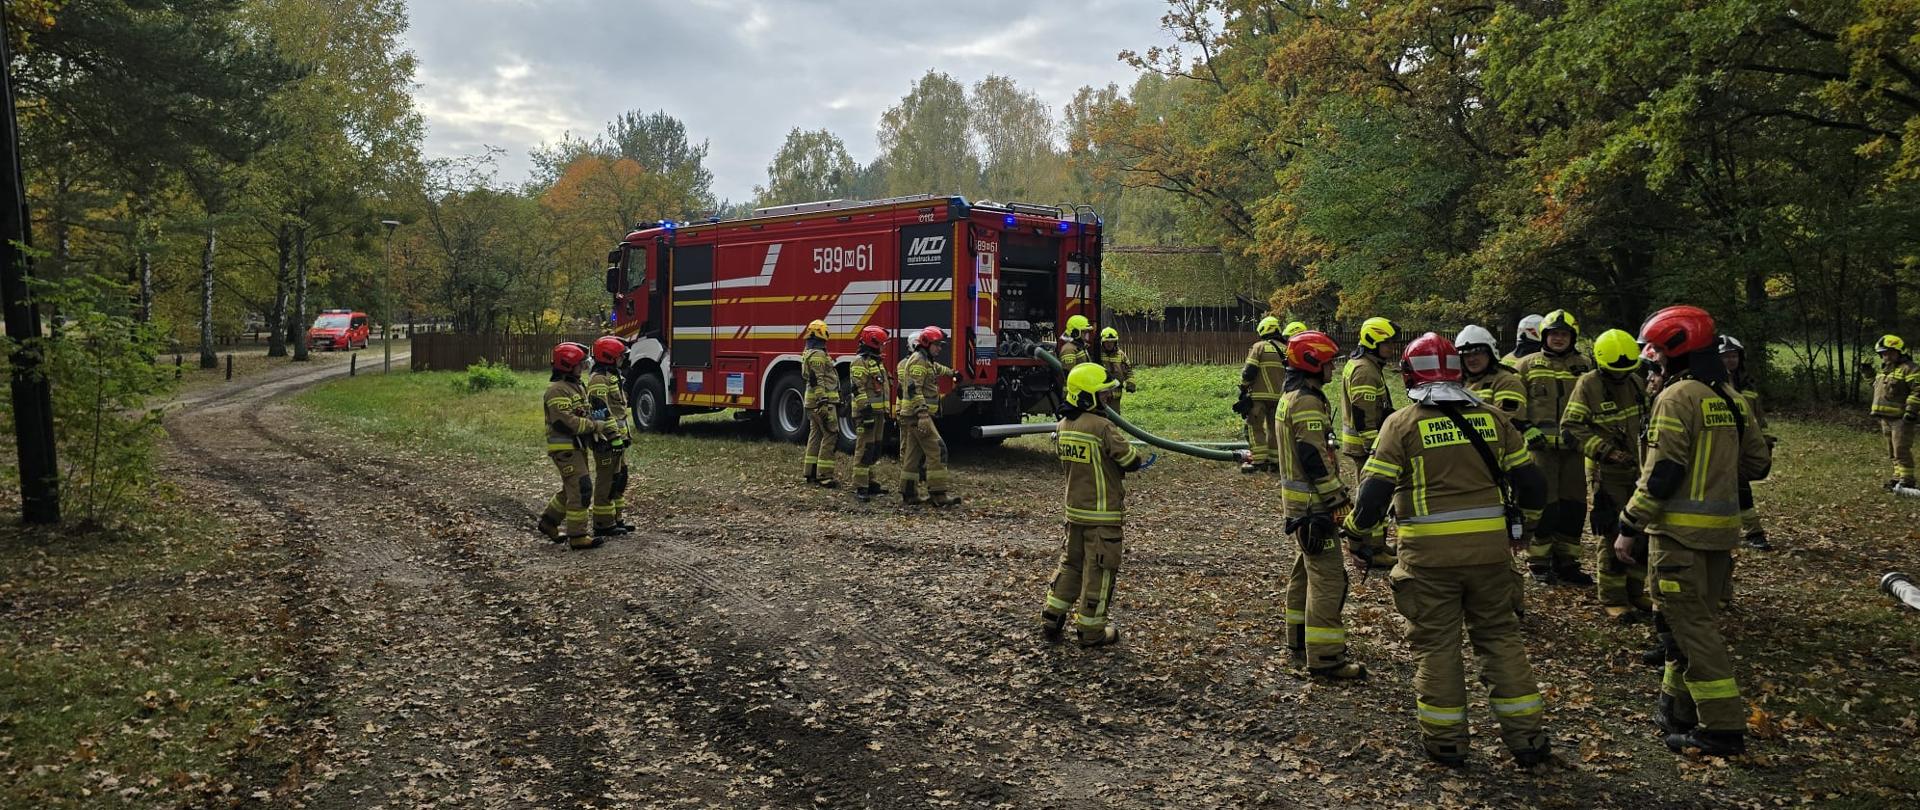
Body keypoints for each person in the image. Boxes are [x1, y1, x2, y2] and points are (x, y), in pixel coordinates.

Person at [1343, 332, 1551, 767]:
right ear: (1458, 373)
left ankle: (1447, 744)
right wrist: (1524, 528)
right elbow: (1532, 484)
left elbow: (1374, 493)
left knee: (1437, 647)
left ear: (1409, 377)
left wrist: (1355, 532)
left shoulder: (1401, 424)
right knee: (1500, 640)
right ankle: (1529, 741)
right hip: (1493, 557)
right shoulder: (1495, 419)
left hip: (1429, 562)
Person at [1615, 305, 1770, 757]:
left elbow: (1662, 472)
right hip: (1721, 537)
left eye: (1657, 356)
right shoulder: (1731, 398)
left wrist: (1629, 524)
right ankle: (1676, 708)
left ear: (1675, 354)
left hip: (1678, 538)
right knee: (1680, 626)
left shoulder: (1677, 398)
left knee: (1693, 632)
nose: (1653, 365)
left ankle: (1722, 728)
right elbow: (1758, 465)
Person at [1040, 363, 1154, 647]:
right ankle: (1091, 631)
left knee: (1071, 564)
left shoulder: (1063, 425)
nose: (1106, 399)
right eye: (1101, 394)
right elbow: (1129, 459)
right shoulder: (1102, 427)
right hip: (1102, 515)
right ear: (1085, 396)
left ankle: (1052, 615)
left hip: (1075, 512)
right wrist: (1136, 456)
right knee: (1100, 571)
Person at [1279, 330, 1366, 679]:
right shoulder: (1307, 402)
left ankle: (1298, 640)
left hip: (1301, 508)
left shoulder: (1294, 396)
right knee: (1330, 580)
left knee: (1305, 574)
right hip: (1315, 508)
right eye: (1328, 362)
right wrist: (1337, 500)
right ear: (1313, 363)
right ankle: (1326, 657)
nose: (1332, 368)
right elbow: (1313, 455)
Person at [1563, 329, 1650, 620]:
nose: (1620, 376)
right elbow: (1571, 427)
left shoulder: (1636, 382)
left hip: (1638, 469)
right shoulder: (1588, 384)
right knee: (1613, 531)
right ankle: (1613, 597)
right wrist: (1606, 451)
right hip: (1606, 472)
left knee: (1641, 531)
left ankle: (1635, 591)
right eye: (1615, 371)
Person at [1515, 310, 1594, 586]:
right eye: (1553, 334)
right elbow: (1512, 403)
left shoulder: (1586, 366)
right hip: (1540, 450)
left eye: (1564, 334)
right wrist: (1525, 427)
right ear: (1544, 336)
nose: (1558, 339)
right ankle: (1538, 561)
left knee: (1573, 507)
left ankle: (1567, 562)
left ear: (1572, 337)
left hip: (1574, 450)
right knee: (1544, 506)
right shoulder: (1525, 365)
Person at [537, 342, 608, 551]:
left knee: (572, 488)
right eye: (579, 364)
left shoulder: (576, 386)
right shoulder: (557, 390)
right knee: (582, 487)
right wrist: (595, 426)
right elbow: (565, 422)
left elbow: (581, 413)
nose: (583, 368)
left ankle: (549, 522)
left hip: (577, 447)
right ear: (567, 365)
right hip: (565, 449)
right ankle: (577, 535)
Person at [897, 326, 961, 507]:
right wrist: (923, 414)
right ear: (926, 343)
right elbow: (913, 388)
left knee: (912, 455)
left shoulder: (926, 360)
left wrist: (952, 373)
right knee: (937, 449)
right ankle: (938, 494)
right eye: (937, 345)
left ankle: (909, 493)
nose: (940, 348)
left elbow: (938, 369)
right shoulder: (918, 361)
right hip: (918, 416)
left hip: (913, 415)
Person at [1720, 336, 1774, 549]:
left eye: (1733, 356)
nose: (1730, 360)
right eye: (1725, 356)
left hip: (1746, 444)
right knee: (1739, 487)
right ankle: (1754, 533)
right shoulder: (1713, 383)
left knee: (1736, 486)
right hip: (1723, 443)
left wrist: (1765, 440)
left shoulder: (1747, 381)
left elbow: (1758, 415)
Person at [1338, 317, 1403, 475]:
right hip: (1364, 445)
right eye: (1387, 343)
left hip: (1361, 443)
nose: (1392, 348)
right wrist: (1373, 447)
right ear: (1372, 341)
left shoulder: (1364, 363)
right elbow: (1363, 413)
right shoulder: (1364, 371)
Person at [586, 336, 635, 537]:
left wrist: (623, 437)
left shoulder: (612, 376)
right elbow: (600, 411)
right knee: (607, 479)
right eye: (620, 356)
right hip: (606, 441)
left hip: (618, 440)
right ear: (610, 357)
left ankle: (616, 518)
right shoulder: (599, 379)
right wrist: (614, 436)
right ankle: (602, 522)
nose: (623, 360)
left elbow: (619, 410)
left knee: (620, 478)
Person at [1867, 334, 1920, 490]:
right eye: (1883, 353)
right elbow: (1877, 387)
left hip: (1901, 419)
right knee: (1892, 451)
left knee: (1901, 449)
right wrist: (1867, 373)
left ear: (1899, 352)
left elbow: (1918, 390)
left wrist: (1911, 410)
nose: (1886, 356)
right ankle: (1897, 478)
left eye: (1889, 352)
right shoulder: (1886, 370)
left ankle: (1907, 480)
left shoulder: (1910, 369)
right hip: (1885, 418)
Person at [1238, 316, 1288, 474]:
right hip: (1280, 398)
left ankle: (1259, 461)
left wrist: (1244, 388)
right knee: (1274, 429)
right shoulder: (1287, 349)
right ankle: (1275, 462)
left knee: (1254, 427)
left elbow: (1249, 371)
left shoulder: (1259, 347)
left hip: (1259, 397)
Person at [849, 325, 893, 502]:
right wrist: (865, 410)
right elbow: (857, 388)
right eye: (881, 344)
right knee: (864, 449)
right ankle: (860, 485)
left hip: (878, 413)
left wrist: (886, 411)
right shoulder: (860, 362)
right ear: (873, 343)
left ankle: (870, 481)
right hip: (866, 414)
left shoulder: (876, 362)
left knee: (874, 448)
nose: (883, 347)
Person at [801, 319, 841, 487]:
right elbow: (818, 380)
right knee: (830, 434)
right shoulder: (817, 355)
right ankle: (824, 475)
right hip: (822, 404)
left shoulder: (808, 352)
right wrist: (823, 402)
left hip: (812, 404)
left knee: (816, 435)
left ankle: (810, 472)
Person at [1099, 327, 1136, 411]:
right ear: (1102, 342)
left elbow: (1128, 370)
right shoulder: (1098, 354)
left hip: (1116, 394)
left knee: (1115, 418)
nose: (1109, 344)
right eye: (1107, 342)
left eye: (1112, 342)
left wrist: (1130, 383)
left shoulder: (1121, 355)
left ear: (1115, 342)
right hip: (1102, 394)